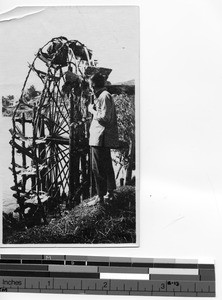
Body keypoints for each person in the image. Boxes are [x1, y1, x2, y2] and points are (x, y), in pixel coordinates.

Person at [88, 73, 119, 204]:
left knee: (98, 168)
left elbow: (105, 118)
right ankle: (109, 193)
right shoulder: (102, 96)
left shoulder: (104, 96)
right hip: (99, 137)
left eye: (90, 84)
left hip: (100, 138)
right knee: (106, 166)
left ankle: (100, 197)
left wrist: (92, 111)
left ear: (93, 85)